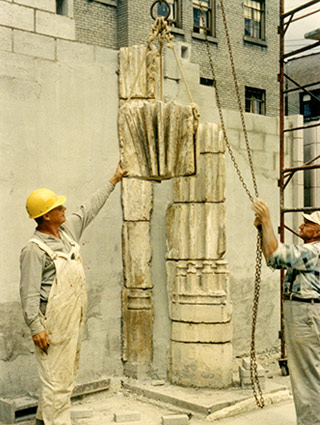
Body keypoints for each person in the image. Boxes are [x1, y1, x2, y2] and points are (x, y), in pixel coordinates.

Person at [20, 163, 126, 425]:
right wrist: (36, 328)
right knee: (56, 379)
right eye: (58, 207)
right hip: (52, 324)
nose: (64, 208)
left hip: (73, 317)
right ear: (46, 216)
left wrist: (113, 180)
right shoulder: (34, 250)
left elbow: (89, 207)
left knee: (62, 376)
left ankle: (43, 421)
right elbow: (29, 294)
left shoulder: (67, 232)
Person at [252, 199, 320, 425]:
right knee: (309, 373)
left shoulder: (314, 251)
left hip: (307, 313)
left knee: (307, 377)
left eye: (307, 224)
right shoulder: (308, 252)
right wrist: (264, 230)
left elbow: (275, 254)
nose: (300, 227)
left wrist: (267, 221)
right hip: (305, 312)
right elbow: (274, 262)